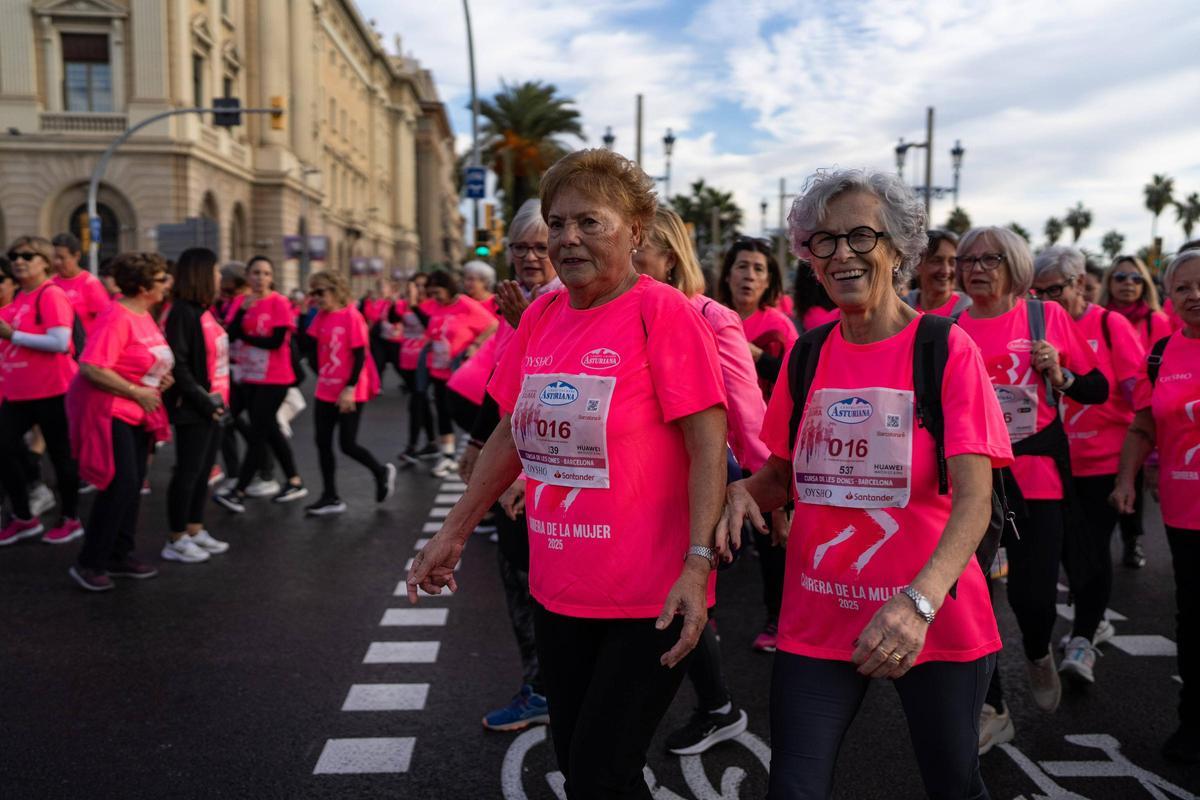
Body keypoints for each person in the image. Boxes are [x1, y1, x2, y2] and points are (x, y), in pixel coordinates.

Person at [409, 148, 728, 798]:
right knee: (578, 760)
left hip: (651, 597)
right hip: (559, 588)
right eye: (557, 223)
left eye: (590, 222)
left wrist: (698, 564)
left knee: (600, 771)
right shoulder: (544, 318)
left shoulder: (661, 313)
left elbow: (707, 446)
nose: (567, 238)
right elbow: (507, 433)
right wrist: (453, 532)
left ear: (636, 231)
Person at [720, 168, 1011, 798]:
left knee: (953, 784)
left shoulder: (945, 349)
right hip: (819, 615)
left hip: (932, 619)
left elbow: (975, 499)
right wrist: (743, 494)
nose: (842, 254)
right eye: (823, 240)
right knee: (793, 787)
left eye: (861, 236)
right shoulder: (808, 353)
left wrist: (918, 604)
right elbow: (782, 472)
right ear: (808, 256)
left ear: (898, 248)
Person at [954, 226, 1107, 749]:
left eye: (989, 258)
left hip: (1036, 472)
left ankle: (1039, 651)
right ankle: (992, 707)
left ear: (1015, 265)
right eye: (968, 259)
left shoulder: (1046, 317)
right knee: (971, 597)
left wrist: (1059, 375)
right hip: (969, 479)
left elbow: (1098, 387)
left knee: (1032, 597)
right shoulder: (947, 325)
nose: (976, 267)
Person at [634, 204, 767, 754]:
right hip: (638, 489)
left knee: (680, 598)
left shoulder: (710, 315)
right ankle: (713, 706)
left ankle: (715, 708)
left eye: (639, 246)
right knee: (660, 600)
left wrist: (772, 491)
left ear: (669, 257)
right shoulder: (619, 313)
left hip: (699, 486)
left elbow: (746, 407)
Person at [452, 200, 561, 732]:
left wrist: (527, 325)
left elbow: (555, 388)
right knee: (521, 581)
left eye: (541, 247)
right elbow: (503, 378)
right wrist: (475, 443)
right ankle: (543, 684)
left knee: (532, 581)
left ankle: (545, 689)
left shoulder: (559, 302)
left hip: (544, 469)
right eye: (520, 247)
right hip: (512, 457)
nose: (530, 257)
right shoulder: (524, 301)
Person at [1032, 246, 1144, 684]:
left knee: (1092, 552)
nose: (1043, 300)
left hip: (1103, 461)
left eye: (1053, 290)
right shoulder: (1035, 324)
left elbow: (1139, 394)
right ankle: (1089, 619)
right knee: (1064, 553)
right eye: (1035, 292)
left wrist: (1138, 466)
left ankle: (1082, 640)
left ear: (1079, 284)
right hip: (1052, 464)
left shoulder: (1108, 324)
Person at [1112, 249, 1200, 764]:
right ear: (1169, 296)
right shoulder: (1162, 352)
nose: (1195, 295)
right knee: (1190, 622)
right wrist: (1126, 478)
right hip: (1184, 515)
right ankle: (1193, 723)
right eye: (1184, 287)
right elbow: (1144, 425)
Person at [66, 252, 174, 591]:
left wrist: (156, 379)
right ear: (142, 287)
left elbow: (141, 358)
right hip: (111, 409)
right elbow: (92, 366)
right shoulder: (118, 315)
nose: (166, 284)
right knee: (121, 483)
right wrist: (134, 390)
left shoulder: (144, 313)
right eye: (160, 279)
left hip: (137, 409)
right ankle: (89, 562)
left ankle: (119, 554)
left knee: (133, 482)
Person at [717, 236, 795, 651]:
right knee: (707, 529)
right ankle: (701, 611)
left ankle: (778, 618)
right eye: (742, 266)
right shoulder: (708, 315)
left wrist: (752, 353)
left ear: (769, 282)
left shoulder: (778, 325)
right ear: (727, 274)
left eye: (759, 269)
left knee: (771, 539)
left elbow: (796, 377)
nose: (749, 275)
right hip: (717, 443)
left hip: (767, 444)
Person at [0, 236, 83, 546]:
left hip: (54, 390)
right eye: (14, 256)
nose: (19, 261)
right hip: (20, 393)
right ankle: (24, 517)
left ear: (45, 262)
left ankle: (70, 518)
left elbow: (60, 343)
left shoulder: (51, 295)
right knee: (5, 447)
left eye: (27, 255)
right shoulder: (20, 298)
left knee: (63, 457)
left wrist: (15, 335)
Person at [214, 256, 307, 511]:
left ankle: (239, 490)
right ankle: (295, 480)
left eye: (266, 273)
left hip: (275, 377)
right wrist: (243, 310)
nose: (260, 278)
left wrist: (245, 335)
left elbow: (275, 342)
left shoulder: (279, 302)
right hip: (249, 375)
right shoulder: (241, 303)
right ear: (248, 276)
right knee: (269, 430)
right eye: (255, 273)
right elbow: (228, 335)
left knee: (257, 434)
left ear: (272, 277)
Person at [302, 269, 395, 516]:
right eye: (313, 293)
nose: (316, 297)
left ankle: (381, 471)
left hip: (349, 390)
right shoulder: (321, 316)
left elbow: (360, 355)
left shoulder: (351, 316)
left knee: (347, 444)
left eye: (320, 292)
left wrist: (349, 388)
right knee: (322, 442)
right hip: (325, 388)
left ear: (335, 290)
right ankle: (330, 496)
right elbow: (308, 346)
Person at [161, 248, 231, 564]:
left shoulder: (204, 311)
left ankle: (194, 528)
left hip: (214, 404)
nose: (219, 278)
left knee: (203, 471)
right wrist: (204, 402)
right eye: (215, 272)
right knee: (188, 471)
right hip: (195, 407)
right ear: (201, 274)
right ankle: (175, 537)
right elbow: (181, 366)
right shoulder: (182, 312)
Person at [1102, 254, 1172, 569]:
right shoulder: (1100, 318)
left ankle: (1132, 541)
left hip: (1140, 416)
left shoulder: (1155, 320)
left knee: (1135, 481)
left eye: (1135, 278)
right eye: (1120, 278)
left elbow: (1163, 370)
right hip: (1104, 418)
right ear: (1109, 283)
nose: (1128, 284)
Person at [422, 269, 498, 478]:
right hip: (438, 367)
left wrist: (474, 344)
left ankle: (482, 452)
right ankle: (447, 455)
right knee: (442, 412)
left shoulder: (465, 304)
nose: (435, 297)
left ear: (448, 289)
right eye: (432, 293)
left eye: (438, 292)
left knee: (468, 413)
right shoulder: (436, 307)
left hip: (459, 367)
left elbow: (493, 324)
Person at [392, 274, 439, 464]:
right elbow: (391, 318)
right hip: (406, 357)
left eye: (422, 286)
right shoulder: (404, 304)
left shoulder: (433, 305)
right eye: (415, 286)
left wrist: (414, 305)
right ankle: (432, 442)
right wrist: (397, 300)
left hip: (426, 358)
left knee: (417, 400)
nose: (418, 290)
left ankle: (411, 446)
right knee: (421, 401)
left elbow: (429, 324)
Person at [50, 232, 110, 335]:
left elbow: (106, 319)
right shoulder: (51, 283)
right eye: (55, 257)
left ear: (76, 256)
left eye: (62, 258)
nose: (57, 262)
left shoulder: (90, 283)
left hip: (83, 347)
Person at [903, 229, 972, 316]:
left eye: (952, 262)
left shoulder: (969, 311)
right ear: (917, 264)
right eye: (937, 261)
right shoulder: (901, 309)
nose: (946, 270)